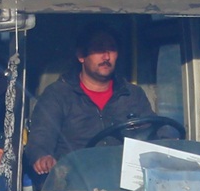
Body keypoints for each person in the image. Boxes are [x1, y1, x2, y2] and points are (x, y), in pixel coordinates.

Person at [25, 23, 155, 177]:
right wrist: (43, 158)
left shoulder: (133, 95)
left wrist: (170, 141)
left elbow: (155, 131)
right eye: (99, 49)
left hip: (124, 184)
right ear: (81, 56)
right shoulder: (57, 95)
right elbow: (40, 140)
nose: (106, 57)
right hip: (76, 185)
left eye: (112, 49)